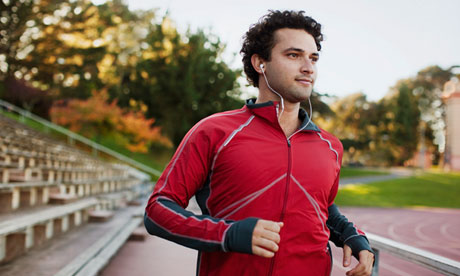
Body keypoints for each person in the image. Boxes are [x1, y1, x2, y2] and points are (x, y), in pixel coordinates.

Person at [144, 10, 374, 276]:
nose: (308, 67)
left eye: (313, 58)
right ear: (260, 63)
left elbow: (320, 206)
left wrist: (351, 235)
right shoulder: (215, 131)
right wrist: (227, 234)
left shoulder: (330, 146)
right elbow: (157, 210)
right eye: (293, 55)